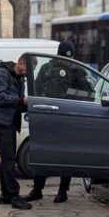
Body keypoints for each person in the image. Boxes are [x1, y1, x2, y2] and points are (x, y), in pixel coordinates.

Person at [25, 39, 75, 203]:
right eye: (63, 57)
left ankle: (63, 190)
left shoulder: (76, 70)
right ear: (58, 55)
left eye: (68, 57)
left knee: (66, 156)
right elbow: (37, 89)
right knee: (42, 154)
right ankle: (37, 189)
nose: (65, 61)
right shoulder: (46, 69)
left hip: (67, 119)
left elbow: (87, 92)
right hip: (48, 117)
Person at [0, 54, 30, 210]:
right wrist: (21, 101)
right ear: (21, 63)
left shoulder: (19, 77)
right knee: (9, 159)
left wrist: (30, 104)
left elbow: (17, 101)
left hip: (10, 122)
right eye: (28, 69)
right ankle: (14, 195)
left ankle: (5, 194)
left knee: (7, 159)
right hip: (1, 122)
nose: (28, 74)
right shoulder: (2, 73)